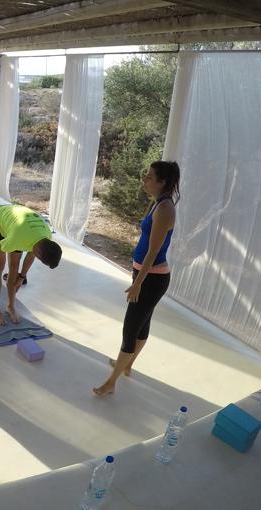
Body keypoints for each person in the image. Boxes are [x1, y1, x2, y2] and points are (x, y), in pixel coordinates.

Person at [94, 161, 179, 396]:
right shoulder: (158, 203)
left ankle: (111, 383)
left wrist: (137, 284)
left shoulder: (165, 209)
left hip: (152, 279)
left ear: (162, 182)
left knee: (130, 328)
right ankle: (127, 365)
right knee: (142, 325)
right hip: (146, 275)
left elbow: (153, 252)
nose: (145, 179)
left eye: (150, 177)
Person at [0, 203, 62, 325]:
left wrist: (22, 277)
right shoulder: (18, 239)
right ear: (38, 253)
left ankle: (10, 306)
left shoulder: (46, 236)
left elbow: (31, 255)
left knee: (14, 269)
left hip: (20, 225)